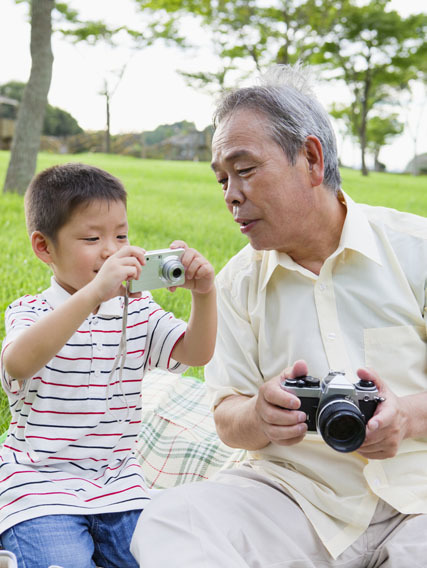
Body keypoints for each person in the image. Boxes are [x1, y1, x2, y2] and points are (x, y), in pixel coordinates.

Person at [130, 64, 427, 568]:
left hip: (417, 496)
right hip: (294, 499)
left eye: (245, 170)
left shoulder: (416, 251)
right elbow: (227, 417)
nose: (230, 196)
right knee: (169, 521)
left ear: (310, 158)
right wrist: (260, 415)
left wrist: (405, 414)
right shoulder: (234, 284)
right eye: (223, 179)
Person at [0, 162, 216, 568]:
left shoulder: (138, 309)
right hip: (38, 487)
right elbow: (18, 362)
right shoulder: (30, 312)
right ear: (44, 247)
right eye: (91, 238)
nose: (111, 249)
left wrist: (204, 294)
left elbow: (196, 353)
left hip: (119, 485)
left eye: (121, 235)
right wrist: (95, 293)